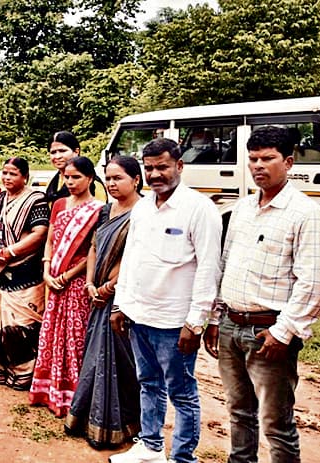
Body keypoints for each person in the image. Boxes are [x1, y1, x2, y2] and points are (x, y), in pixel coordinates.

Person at [203, 126, 320, 463]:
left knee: (275, 423)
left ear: (288, 161)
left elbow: (312, 282)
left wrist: (284, 332)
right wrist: (215, 318)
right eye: (252, 159)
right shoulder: (242, 209)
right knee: (238, 412)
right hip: (231, 326)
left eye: (267, 159)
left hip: (268, 333)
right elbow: (226, 266)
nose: (258, 165)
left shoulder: (305, 213)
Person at [109, 138, 221, 463]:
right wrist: (121, 305)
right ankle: (151, 448)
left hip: (175, 324)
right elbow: (131, 260)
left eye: (163, 167)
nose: (156, 174)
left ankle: (183, 457)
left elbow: (209, 269)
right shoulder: (143, 207)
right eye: (150, 168)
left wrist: (196, 322)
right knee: (148, 384)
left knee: (182, 394)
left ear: (179, 166)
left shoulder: (200, 210)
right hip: (139, 316)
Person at [65, 155, 142, 448]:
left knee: (121, 359)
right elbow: (95, 247)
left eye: (118, 178)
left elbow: (134, 257)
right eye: (108, 178)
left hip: (123, 299)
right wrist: (89, 283)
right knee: (95, 355)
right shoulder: (106, 210)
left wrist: (109, 288)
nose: (111, 183)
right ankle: (90, 416)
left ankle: (123, 422)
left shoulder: (143, 212)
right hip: (96, 293)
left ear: (136, 179)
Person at [29, 156, 104, 417]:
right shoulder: (59, 204)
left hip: (77, 283)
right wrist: (48, 267)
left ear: (90, 179)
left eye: (76, 177)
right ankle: (49, 391)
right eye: (67, 177)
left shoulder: (98, 210)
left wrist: (67, 275)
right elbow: (49, 240)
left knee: (74, 337)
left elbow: (93, 251)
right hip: (54, 278)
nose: (70, 182)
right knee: (52, 334)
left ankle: (74, 397)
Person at [0, 157, 49, 390]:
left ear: (25, 176)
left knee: (23, 325)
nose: (7, 177)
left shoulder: (36, 200)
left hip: (25, 272)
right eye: (4, 173)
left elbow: (40, 233)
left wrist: (9, 252)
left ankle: (24, 373)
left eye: (13, 174)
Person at [45, 131, 107, 203]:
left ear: (76, 151)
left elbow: (100, 210)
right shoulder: (52, 182)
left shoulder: (92, 182)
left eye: (62, 151)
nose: (57, 156)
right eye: (53, 152)